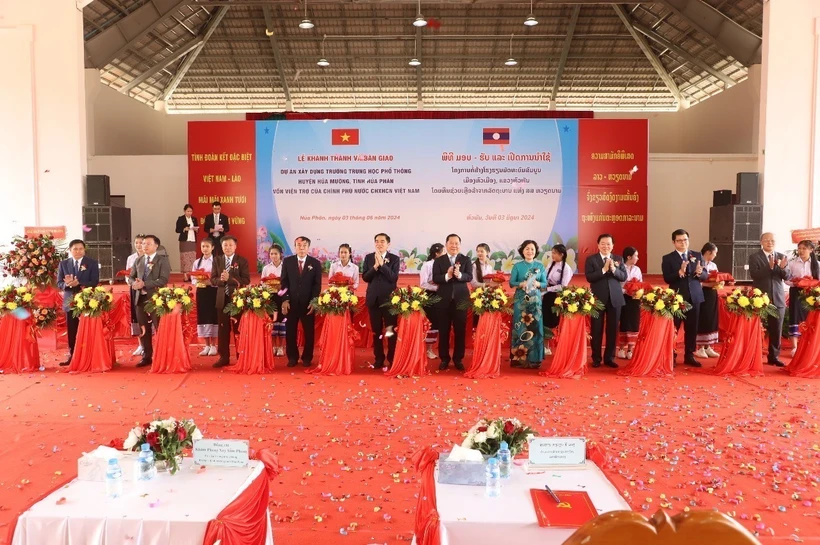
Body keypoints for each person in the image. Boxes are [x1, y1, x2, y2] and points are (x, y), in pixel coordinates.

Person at [661, 229, 709, 367]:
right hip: (676, 298)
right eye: (679, 240)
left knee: (692, 328)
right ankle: (672, 355)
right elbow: (666, 278)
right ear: (673, 242)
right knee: (674, 328)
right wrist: (679, 272)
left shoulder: (697, 255)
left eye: (685, 240)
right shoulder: (668, 258)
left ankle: (689, 355)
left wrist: (700, 273)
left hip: (695, 296)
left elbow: (705, 275)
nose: (683, 243)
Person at [748, 232, 792, 366]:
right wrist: (769, 267)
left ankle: (774, 356)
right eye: (767, 240)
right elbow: (755, 275)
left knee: (776, 329)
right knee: (755, 328)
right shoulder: (755, 257)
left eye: (772, 240)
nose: (770, 243)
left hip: (778, 297)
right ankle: (752, 356)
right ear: (761, 242)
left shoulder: (781, 257)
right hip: (760, 298)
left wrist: (783, 268)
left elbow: (787, 276)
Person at [585, 234, 628, 368]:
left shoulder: (618, 259)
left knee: (613, 329)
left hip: (615, 299)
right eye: (603, 243)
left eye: (608, 244)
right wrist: (603, 270)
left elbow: (623, 277)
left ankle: (609, 358)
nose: (606, 246)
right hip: (598, 299)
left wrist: (614, 269)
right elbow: (589, 277)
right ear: (598, 245)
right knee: (596, 329)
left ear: (613, 246)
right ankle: (596, 358)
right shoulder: (591, 259)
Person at [280, 236, 323, 367]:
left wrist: (314, 302)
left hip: (307, 304)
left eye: (304, 245)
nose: (301, 248)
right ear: (295, 247)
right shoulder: (288, 262)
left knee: (309, 333)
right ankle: (292, 357)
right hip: (291, 303)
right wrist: (285, 299)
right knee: (290, 331)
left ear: (308, 247)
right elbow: (284, 282)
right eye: (299, 245)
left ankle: (307, 358)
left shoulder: (315, 263)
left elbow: (317, 285)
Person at [129, 235, 171, 368]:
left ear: (156, 246)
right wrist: (134, 283)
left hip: (156, 300)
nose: (144, 246)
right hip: (140, 299)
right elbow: (131, 277)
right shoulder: (139, 260)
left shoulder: (162, 260)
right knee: (143, 329)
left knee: (160, 328)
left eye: (148, 244)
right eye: (143, 244)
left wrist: (144, 284)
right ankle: (146, 356)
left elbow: (163, 280)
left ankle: (163, 356)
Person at [56, 240, 100, 366]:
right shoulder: (63, 264)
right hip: (70, 301)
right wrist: (67, 284)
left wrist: (79, 283)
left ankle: (89, 355)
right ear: (70, 250)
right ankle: (73, 355)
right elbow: (59, 283)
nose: (78, 251)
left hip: (87, 301)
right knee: (72, 330)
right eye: (75, 249)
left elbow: (95, 281)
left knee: (87, 329)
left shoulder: (91, 263)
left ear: (84, 250)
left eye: (81, 249)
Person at [433, 234, 474, 371]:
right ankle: (444, 358)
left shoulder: (466, 259)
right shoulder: (439, 261)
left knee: (460, 330)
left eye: (457, 243)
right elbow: (435, 278)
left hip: (461, 300)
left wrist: (459, 275)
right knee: (443, 330)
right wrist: (448, 275)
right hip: (443, 300)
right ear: (446, 244)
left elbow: (469, 276)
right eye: (451, 243)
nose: (454, 246)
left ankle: (458, 358)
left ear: (460, 245)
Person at [211, 235, 251, 368]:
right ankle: (224, 357)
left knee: (238, 329)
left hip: (237, 300)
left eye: (230, 245)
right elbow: (213, 279)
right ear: (221, 247)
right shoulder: (217, 260)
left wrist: (230, 278)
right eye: (225, 245)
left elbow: (246, 280)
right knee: (223, 329)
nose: (227, 248)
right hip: (222, 299)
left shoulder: (242, 261)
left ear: (235, 246)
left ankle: (241, 356)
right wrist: (221, 280)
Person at [362, 233, 401, 369]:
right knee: (376, 331)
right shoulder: (368, 258)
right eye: (377, 241)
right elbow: (366, 277)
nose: (379, 244)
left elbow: (393, 278)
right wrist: (375, 267)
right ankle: (378, 359)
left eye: (382, 241)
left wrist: (382, 265)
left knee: (390, 331)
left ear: (388, 244)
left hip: (389, 301)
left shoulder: (394, 259)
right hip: (374, 300)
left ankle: (391, 359)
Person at [509, 240, 548, 368]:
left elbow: (545, 283)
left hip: (535, 302)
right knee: (520, 326)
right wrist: (521, 284)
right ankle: (518, 358)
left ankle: (535, 359)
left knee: (535, 327)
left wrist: (538, 284)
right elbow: (511, 283)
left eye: (532, 249)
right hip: (521, 301)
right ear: (522, 251)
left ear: (536, 251)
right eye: (527, 249)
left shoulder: (540, 266)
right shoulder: (517, 266)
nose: (530, 251)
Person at [787, 240, 820, 356]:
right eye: (799, 248)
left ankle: (809, 346)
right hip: (796, 292)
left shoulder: (817, 264)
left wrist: (811, 282)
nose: (801, 251)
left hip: (811, 294)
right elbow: (786, 278)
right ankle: (795, 348)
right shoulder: (792, 263)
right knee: (795, 317)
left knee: (810, 318)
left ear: (811, 250)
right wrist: (796, 282)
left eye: (804, 248)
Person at [542, 244, 574, 356]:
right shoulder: (551, 264)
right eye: (552, 253)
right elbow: (544, 276)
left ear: (562, 254)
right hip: (547, 294)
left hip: (557, 296)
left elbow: (563, 286)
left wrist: (548, 288)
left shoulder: (567, 268)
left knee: (552, 321)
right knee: (544, 319)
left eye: (555, 253)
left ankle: (552, 346)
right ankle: (544, 345)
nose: (552, 255)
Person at [191, 238, 218, 356]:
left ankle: (214, 345)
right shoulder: (197, 262)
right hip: (201, 291)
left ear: (212, 248)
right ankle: (206, 345)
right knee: (203, 316)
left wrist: (210, 281)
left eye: (207, 246)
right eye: (203, 247)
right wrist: (199, 280)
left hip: (213, 291)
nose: (205, 249)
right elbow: (192, 278)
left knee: (213, 316)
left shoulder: (217, 261)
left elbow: (218, 278)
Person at [694, 243, 721, 359]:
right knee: (702, 318)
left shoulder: (714, 265)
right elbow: (695, 280)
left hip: (712, 293)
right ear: (709, 252)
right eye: (715, 253)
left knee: (711, 318)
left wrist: (720, 282)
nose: (715, 255)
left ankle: (708, 346)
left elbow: (717, 278)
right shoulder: (698, 263)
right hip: (701, 293)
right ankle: (699, 347)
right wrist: (707, 283)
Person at [617, 246, 642, 360]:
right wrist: (626, 290)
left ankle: (630, 349)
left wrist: (638, 291)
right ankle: (621, 348)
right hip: (623, 298)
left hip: (635, 300)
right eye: (636, 256)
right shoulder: (620, 268)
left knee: (634, 323)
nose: (637, 258)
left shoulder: (637, 269)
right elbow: (617, 285)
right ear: (629, 257)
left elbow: (641, 284)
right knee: (624, 322)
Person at [261, 244, 286, 357]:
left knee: (281, 321)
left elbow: (288, 283)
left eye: (276, 253)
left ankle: (280, 346)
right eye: (271, 254)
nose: (274, 256)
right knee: (271, 321)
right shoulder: (266, 268)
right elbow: (262, 284)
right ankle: (272, 346)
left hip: (282, 297)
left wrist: (281, 287)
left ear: (280, 254)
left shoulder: (285, 267)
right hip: (270, 298)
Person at [420, 242, 444, 360]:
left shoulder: (445, 265)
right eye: (443, 253)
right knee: (431, 323)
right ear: (437, 253)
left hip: (442, 296)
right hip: (430, 296)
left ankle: (432, 348)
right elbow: (423, 283)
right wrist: (437, 287)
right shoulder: (428, 265)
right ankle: (426, 349)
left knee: (439, 323)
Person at [125, 234, 145, 357]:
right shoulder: (131, 258)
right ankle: (140, 344)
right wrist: (132, 283)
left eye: (141, 243)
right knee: (136, 316)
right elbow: (128, 275)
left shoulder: (151, 258)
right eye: (136, 242)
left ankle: (149, 344)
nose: (138, 245)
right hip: (134, 289)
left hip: (147, 289)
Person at [471, 243, 496, 329]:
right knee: (478, 320)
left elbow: (492, 280)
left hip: (488, 296)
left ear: (487, 252)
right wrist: (487, 284)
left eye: (482, 251)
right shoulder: (474, 266)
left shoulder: (489, 266)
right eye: (478, 251)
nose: (479, 253)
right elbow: (473, 283)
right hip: (478, 296)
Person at [175, 204, 199, 281]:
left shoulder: (194, 219)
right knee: (184, 258)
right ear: (184, 211)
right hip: (184, 241)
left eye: (191, 211)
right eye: (188, 211)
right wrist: (184, 229)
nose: (189, 213)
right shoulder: (181, 219)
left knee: (192, 258)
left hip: (192, 240)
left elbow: (197, 228)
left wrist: (196, 229)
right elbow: (177, 230)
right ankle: (185, 275)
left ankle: (191, 275)